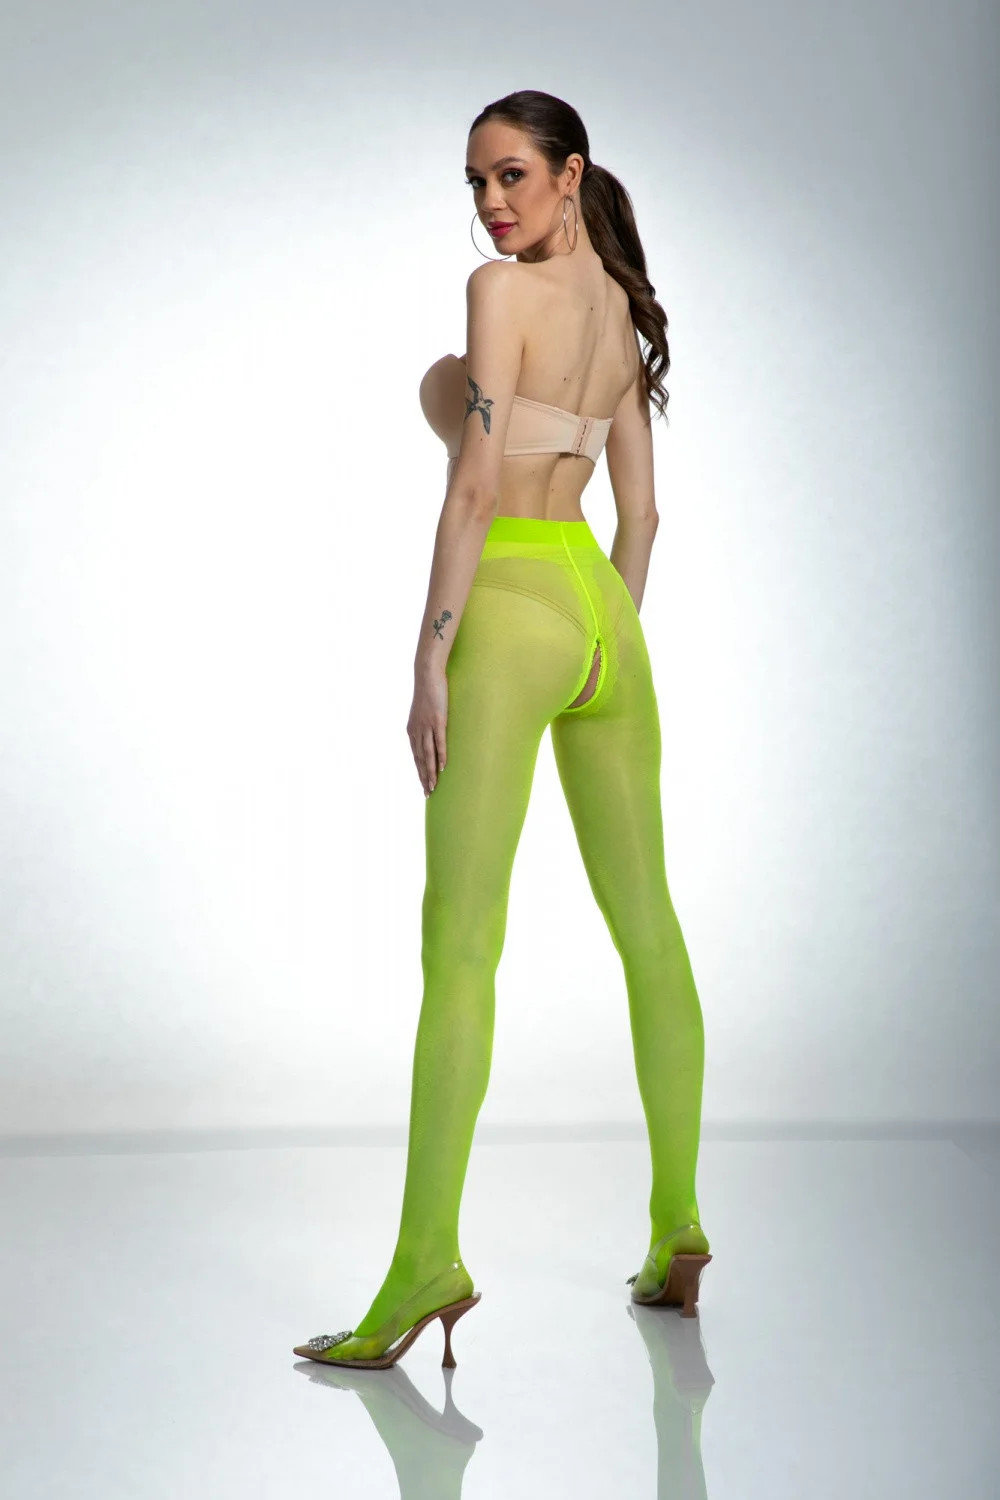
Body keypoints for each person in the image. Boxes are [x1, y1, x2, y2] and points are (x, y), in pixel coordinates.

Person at [293, 89, 711, 1368]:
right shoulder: (621, 311)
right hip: (601, 613)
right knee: (649, 928)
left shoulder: (500, 293)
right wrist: (602, 646)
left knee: (460, 949)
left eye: (512, 175)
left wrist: (434, 656)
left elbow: (476, 487)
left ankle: (424, 1262)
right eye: (475, 183)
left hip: (515, 598)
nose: (489, 204)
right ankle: (678, 1225)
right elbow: (641, 517)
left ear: (570, 172)